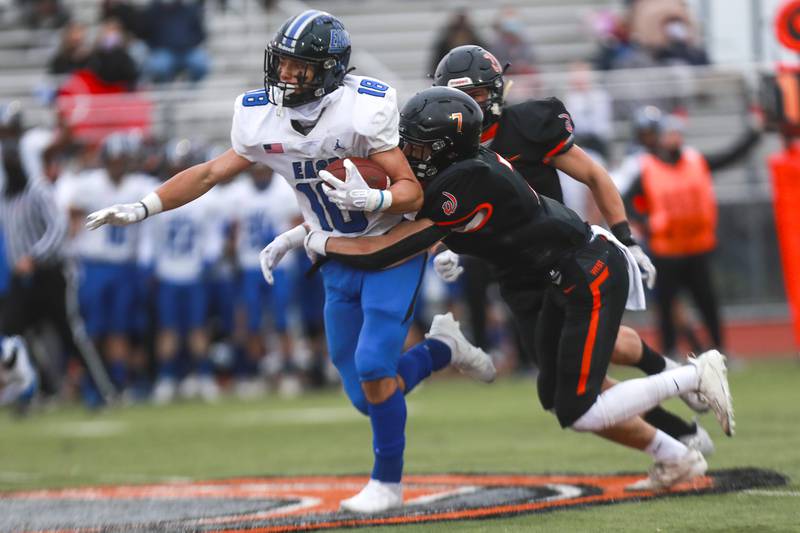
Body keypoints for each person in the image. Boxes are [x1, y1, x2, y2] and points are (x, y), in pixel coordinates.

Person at [84, 10, 495, 513]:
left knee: (372, 365)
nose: (285, 75)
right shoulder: (262, 118)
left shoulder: (364, 110)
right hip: (333, 255)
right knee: (366, 395)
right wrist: (146, 206)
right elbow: (212, 172)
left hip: (391, 249)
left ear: (328, 69)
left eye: (300, 68)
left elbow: (412, 190)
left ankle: (387, 484)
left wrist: (377, 202)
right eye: (282, 64)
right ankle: (442, 350)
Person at [304, 87, 736, 490]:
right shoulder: (462, 168)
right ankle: (678, 454)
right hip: (559, 272)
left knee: (578, 409)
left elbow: (384, 252)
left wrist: (318, 239)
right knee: (554, 394)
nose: (407, 154)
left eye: (416, 146)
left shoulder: (463, 180)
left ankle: (693, 375)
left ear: (444, 149)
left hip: (588, 271)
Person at [432, 46, 712, 448]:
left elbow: (594, 176)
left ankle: (674, 399)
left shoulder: (527, 125)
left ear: (494, 93)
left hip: (558, 258)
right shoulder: (445, 148)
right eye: (454, 100)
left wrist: (627, 239)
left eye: (472, 97)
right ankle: (681, 428)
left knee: (584, 372)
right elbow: (447, 210)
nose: (463, 110)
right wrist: (447, 246)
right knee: (569, 382)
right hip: (514, 277)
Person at [623, 113, 762, 356]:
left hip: (697, 246)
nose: (674, 139)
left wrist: (754, 134)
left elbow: (731, 156)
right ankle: (670, 351)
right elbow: (629, 201)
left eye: (677, 134)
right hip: (667, 250)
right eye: (669, 135)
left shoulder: (695, 161)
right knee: (666, 304)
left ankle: (720, 349)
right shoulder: (648, 169)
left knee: (707, 301)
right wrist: (647, 222)